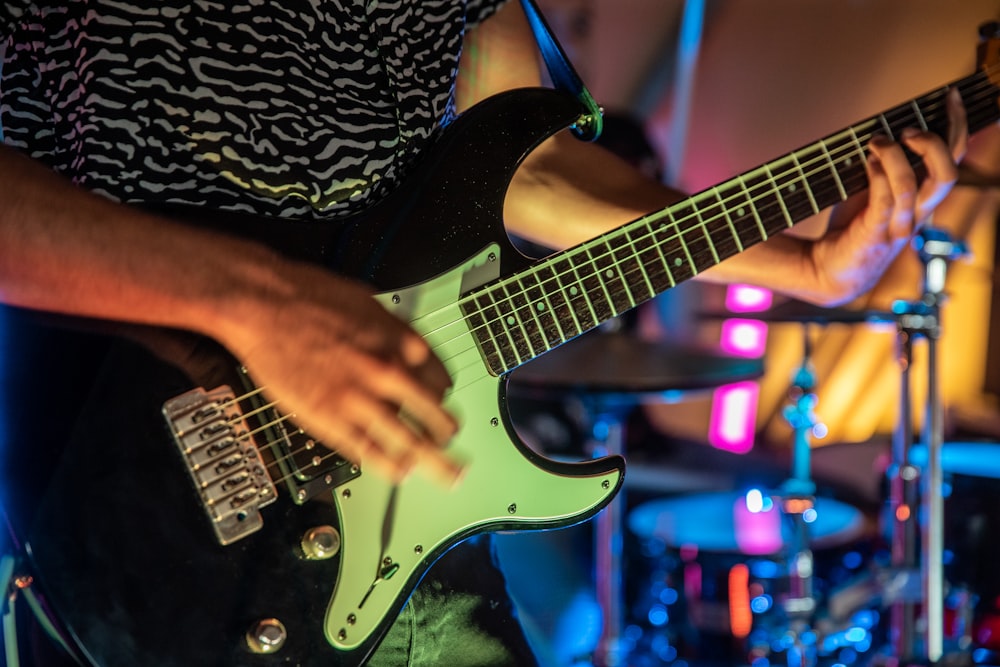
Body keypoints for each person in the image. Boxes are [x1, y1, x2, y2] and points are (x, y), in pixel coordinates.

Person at [0, 1, 966, 665]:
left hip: (402, 520)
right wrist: (254, 305)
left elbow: (522, 167)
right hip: (127, 460)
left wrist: (796, 266)